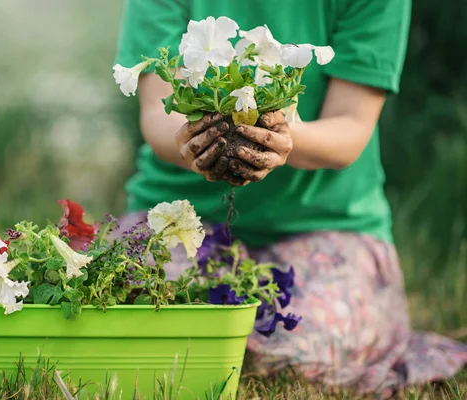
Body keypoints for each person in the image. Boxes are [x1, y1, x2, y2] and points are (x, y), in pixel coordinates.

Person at [113, 0, 467, 396]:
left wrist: (284, 137)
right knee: (138, 314)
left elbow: (351, 124)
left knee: (295, 349)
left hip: (325, 224)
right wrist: (198, 145)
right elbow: (158, 115)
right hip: (180, 216)